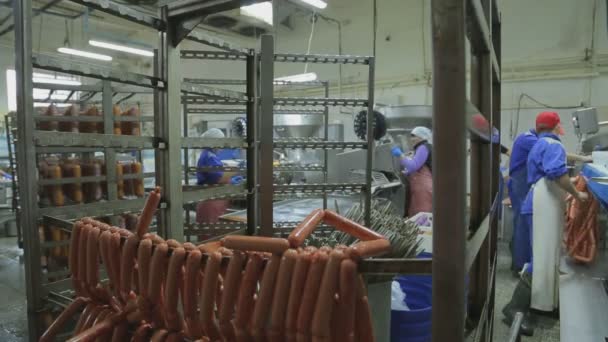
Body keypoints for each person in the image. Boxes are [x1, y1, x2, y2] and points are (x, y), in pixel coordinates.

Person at [502, 112, 589, 335]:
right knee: (540, 257)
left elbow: (548, 174)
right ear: (557, 126)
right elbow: (556, 175)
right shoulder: (552, 145)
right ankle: (513, 308)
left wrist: (572, 182)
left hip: (541, 198)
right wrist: (577, 195)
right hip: (543, 203)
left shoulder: (540, 143)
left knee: (547, 255)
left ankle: (543, 304)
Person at [508, 119, 592, 272]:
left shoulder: (538, 140)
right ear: (554, 127)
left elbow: (547, 171)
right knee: (531, 234)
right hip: (523, 186)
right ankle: (524, 268)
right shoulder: (542, 142)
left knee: (532, 234)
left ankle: (528, 267)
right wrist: (576, 192)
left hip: (529, 187)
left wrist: (570, 180)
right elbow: (556, 171)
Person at [195, 128, 243, 224]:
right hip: (211, 203)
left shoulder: (210, 156)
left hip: (215, 201)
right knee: (211, 235)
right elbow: (219, 178)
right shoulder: (209, 157)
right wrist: (237, 169)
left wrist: (231, 181)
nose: (222, 145)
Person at [391, 126, 433, 217]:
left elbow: (414, 165)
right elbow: (417, 167)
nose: (411, 139)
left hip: (423, 189)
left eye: (414, 136)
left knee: (422, 217)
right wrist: (406, 173)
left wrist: (401, 155)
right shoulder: (423, 148)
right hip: (420, 188)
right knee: (417, 216)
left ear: (421, 136)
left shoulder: (423, 147)